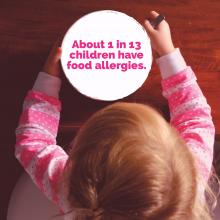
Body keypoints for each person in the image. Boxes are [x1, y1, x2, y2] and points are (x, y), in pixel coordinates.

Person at [14, 10, 217, 220]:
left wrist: (48, 78)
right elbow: (195, 118)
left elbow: (33, 141)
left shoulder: (72, 192)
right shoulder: (189, 184)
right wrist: (168, 53)